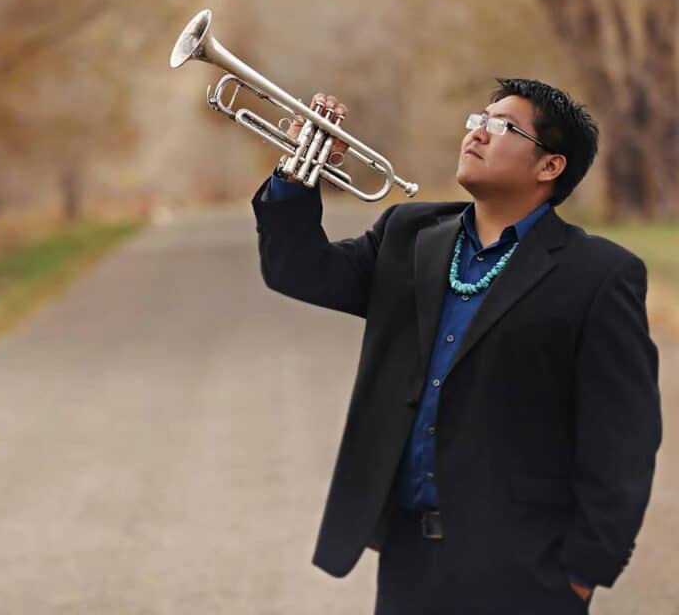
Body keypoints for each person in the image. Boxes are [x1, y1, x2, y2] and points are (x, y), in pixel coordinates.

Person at [250, 78, 662, 614]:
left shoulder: (599, 275)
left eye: (502, 127)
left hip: (527, 575)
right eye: (478, 120)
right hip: (409, 560)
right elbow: (297, 269)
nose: (477, 134)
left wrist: (583, 572)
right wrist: (297, 170)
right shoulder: (407, 233)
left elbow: (624, 438)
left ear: (549, 166)